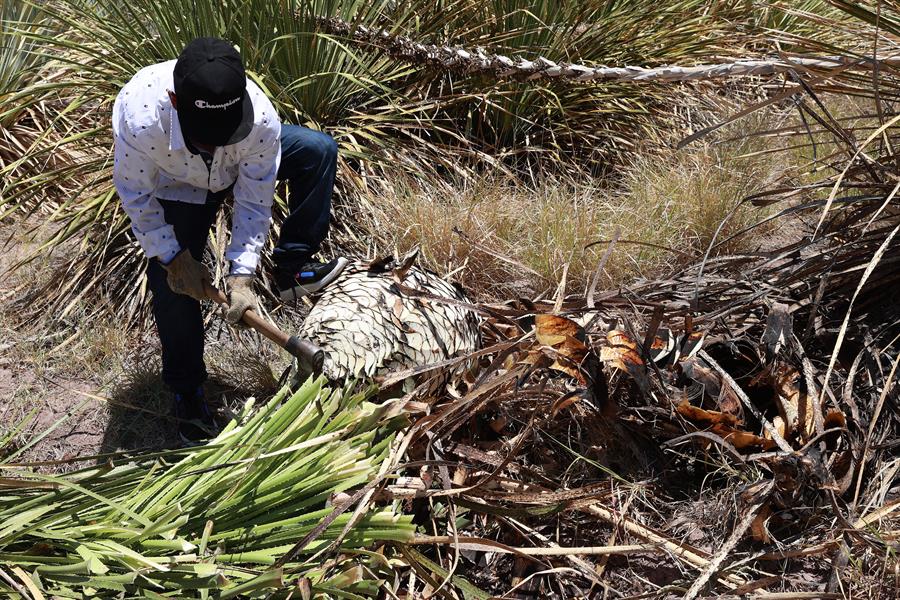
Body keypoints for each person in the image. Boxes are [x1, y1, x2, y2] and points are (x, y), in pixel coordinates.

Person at [112, 37, 348, 443]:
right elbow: (136, 195)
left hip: (233, 171)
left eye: (226, 131)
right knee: (171, 288)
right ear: (174, 100)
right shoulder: (140, 116)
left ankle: (291, 269)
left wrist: (242, 274)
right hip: (177, 185)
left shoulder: (259, 121)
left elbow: (255, 199)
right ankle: (187, 391)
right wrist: (174, 258)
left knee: (317, 149)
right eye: (207, 135)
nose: (218, 142)